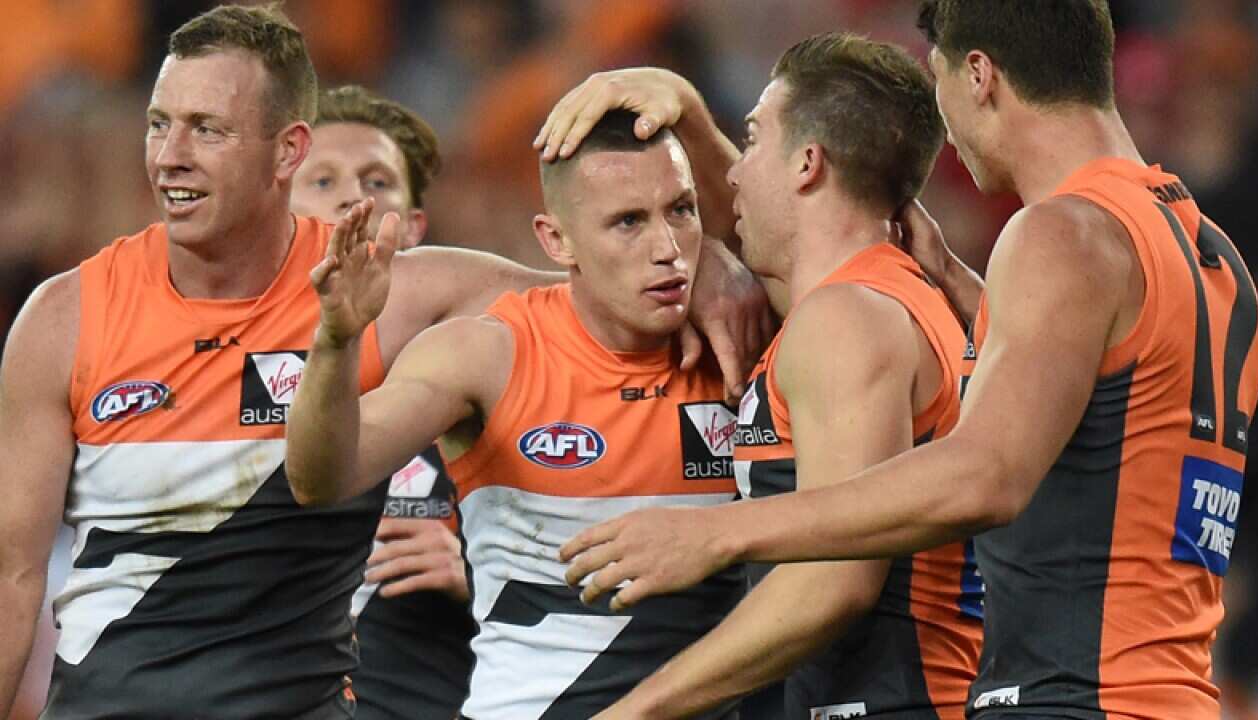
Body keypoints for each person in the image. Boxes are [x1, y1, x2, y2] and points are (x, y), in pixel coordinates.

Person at [0, 5, 766, 717]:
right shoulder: (65, 317)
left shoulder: (405, 295)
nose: (170, 156)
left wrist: (714, 267)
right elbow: (13, 577)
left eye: (207, 129)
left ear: (285, 149)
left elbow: (608, 279)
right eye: (159, 124)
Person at [557, 2, 1258, 719]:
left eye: (942, 83)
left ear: (980, 76)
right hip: (1171, 694)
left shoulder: (1059, 235)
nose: (947, 132)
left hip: (1075, 700)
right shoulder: (1208, 254)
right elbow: (1105, 417)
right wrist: (962, 286)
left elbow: (987, 475)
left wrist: (717, 534)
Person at [534, 34, 981, 720]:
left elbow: (835, 583)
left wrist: (634, 712)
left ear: (807, 164)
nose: (735, 174)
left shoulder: (846, 322)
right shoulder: (882, 299)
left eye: (752, 138)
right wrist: (682, 105)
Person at [285, 110, 745, 719]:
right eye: (628, 222)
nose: (667, 249)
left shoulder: (746, 344)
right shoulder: (486, 353)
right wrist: (337, 342)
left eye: (681, 210)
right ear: (557, 241)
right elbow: (321, 477)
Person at [292, 84, 473, 720]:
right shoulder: (213, 380)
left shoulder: (491, 383)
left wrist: (474, 576)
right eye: (321, 180)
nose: (352, 197)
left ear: (416, 227)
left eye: (377, 180)